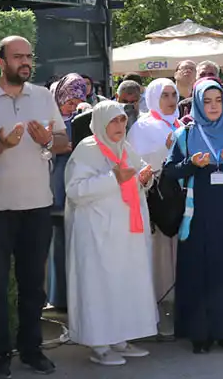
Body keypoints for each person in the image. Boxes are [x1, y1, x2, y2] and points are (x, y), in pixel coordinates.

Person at [0, 36, 71, 378]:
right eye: (18, 57)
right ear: (1, 61)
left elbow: (63, 141)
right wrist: (2, 144)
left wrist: (45, 140)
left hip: (37, 205)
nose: (25, 62)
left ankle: (31, 349)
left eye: (29, 56)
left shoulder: (43, 96)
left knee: (33, 285)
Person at [164, 78, 223, 352]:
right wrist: (191, 163)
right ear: (196, 103)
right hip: (198, 215)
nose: (213, 106)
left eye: (218, 100)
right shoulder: (186, 134)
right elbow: (170, 171)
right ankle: (200, 335)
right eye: (206, 101)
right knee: (199, 272)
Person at [65, 100, 157, 366]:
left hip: (125, 232)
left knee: (122, 284)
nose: (119, 126)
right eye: (113, 121)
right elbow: (75, 190)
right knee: (99, 287)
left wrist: (145, 177)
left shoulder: (124, 147)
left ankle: (120, 337)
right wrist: (113, 178)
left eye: (122, 121)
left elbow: (136, 176)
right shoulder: (87, 150)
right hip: (97, 233)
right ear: (101, 122)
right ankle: (99, 344)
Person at [128, 78, 181, 304]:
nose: (171, 100)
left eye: (173, 94)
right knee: (160, 252)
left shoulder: (180, 123)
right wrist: (164, 150)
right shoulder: (143, 126)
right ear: (152, 98)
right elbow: (136, 163)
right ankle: (159, 298)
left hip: (182, 196)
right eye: (165, 95)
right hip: (157, 199)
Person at [47, 75, 93, 311]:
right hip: (57, 186)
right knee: (59, 244)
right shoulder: (48, 118)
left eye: (78, 99)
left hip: (81, 185)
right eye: (69, 100)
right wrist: (58, 147)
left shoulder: (86, 117)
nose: (73, 105)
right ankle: (60, 298)